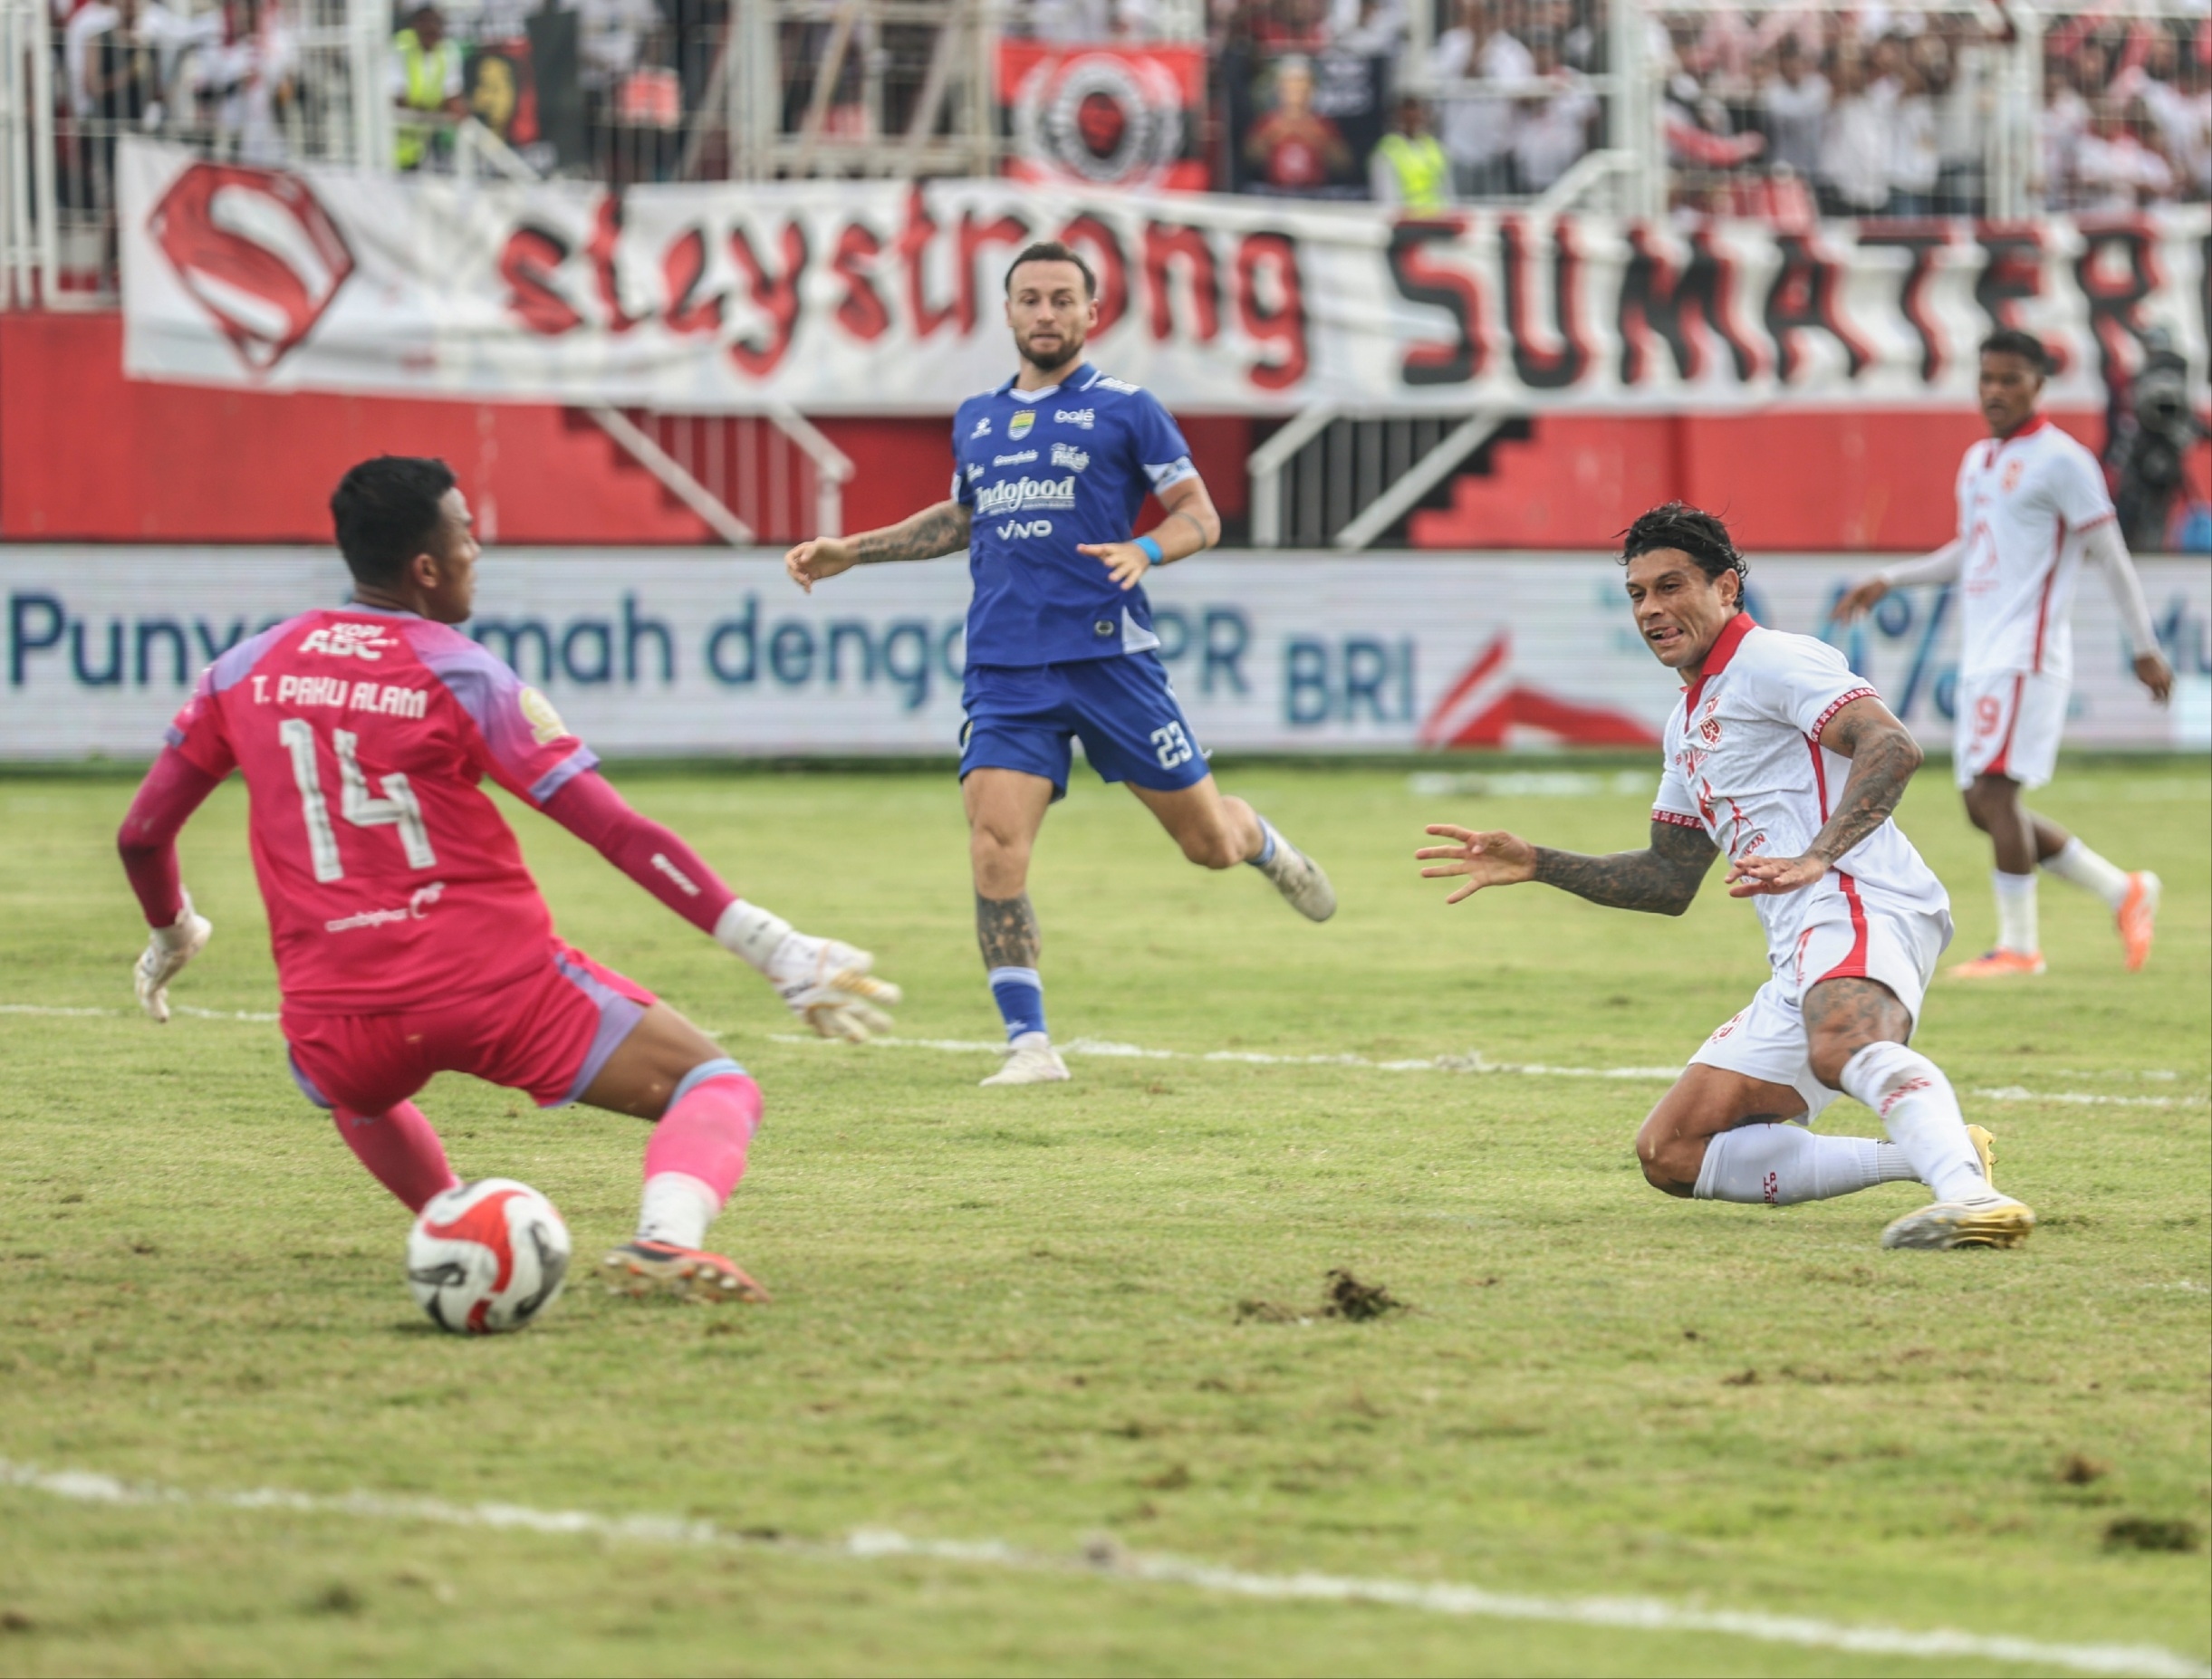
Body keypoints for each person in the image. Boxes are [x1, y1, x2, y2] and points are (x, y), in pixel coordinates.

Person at [116, 457, 902, 1303]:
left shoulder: (244, 670)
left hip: (337, 1015)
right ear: (426, 567)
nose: (476, 550)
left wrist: (173, 930)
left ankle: (455, 1223)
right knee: (717, 1083)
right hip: (494, 987)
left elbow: (141, 834)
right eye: (465, 534)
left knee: (356, 1096)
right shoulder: (460, 672)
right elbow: (615, 830)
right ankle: (665, 1242)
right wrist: (771, 944)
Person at [784, 242, 1336, 1088]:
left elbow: (1201, 514)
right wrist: (852, 551)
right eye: (1030, 299)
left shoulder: (1128, 409)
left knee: (1207, 846)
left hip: (1113, 663)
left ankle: (1257, 838)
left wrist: (1147, 548)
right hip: (1008, 671)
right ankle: (1029, 1044)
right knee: (994, 849)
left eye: (1062, 300)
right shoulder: (976, 417)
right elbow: (965, 518)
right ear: (1007, 313)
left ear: (1091, 313)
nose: (1046, 313)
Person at [1418, 503, 2034, 1252]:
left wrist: (1816, 856)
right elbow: (1668, 878)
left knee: (1840, 1045)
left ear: (1728, 589)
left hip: (1856, 896)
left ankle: (1973, 1197)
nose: (1652, 609)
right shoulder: (1686, 724)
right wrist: (1540, 864)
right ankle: (1933, 1152)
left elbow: (1890, 745)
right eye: (1638, 594)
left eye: (1672, 585)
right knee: (1674, 1152)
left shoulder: (1774, 660)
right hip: (1796, 946)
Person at [1835, 331, 2170, 977]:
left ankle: (2021, 948)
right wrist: (1892, 578)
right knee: (1980, 805)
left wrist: (2145, 646)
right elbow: (1973, 550)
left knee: (1994, 796)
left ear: (2039, 384)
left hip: (2027, 653)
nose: (1995, 391)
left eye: (2010, 379)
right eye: (1987, 378)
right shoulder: (1979, 460)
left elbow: (2111, 555)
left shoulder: (2063, 461)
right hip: (1986, 652)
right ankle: (2119, 890)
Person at [391, 4, 466, 171]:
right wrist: (437, 111)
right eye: (426, 22)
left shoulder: (448, 51)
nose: (432, 28)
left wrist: (457, 110)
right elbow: (397, 99)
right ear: (415, 25)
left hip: (416, 146)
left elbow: (452, 99)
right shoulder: (400, 47)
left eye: (437, 23)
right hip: (387, 143)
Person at [1370, 93, 1450, 210]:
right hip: (1406, 223)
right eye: (1408, 119)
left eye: (1418, 116)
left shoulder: (1437, 149)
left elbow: (1447, 192)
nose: (1415, 123)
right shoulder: (1386, 152)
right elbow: (1386, 199)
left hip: (1438, 220)